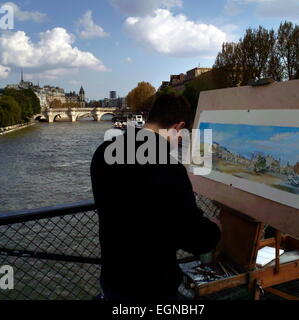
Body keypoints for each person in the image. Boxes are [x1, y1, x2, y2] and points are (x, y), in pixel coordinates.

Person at [91, 94, 221, 300]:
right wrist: (214, 228)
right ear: (178, 126)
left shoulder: (103, 152)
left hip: (113, 276)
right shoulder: (168, 168)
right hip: (152, 286)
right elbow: (195, 239)